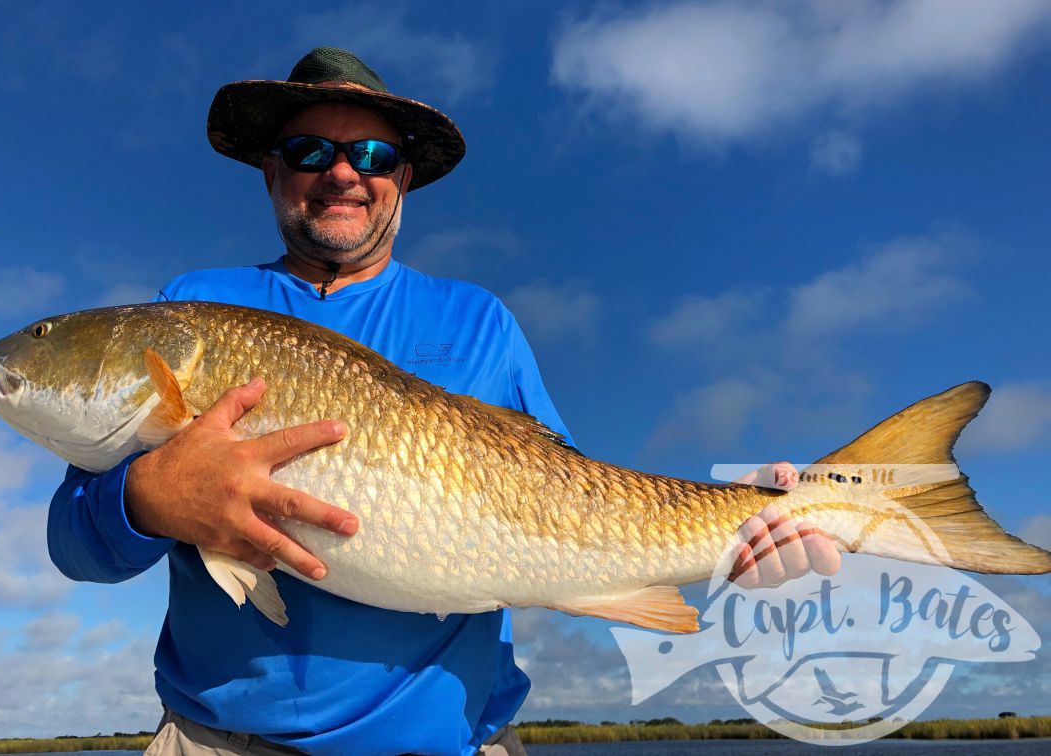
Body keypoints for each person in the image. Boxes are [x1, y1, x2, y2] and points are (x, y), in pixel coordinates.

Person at [47, 48, 838, 755]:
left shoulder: (478, 319)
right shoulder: (192, 308)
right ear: (271, 171)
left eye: (372, 154)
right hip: (216, 743)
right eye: (309, 150)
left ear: (404, 178)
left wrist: (744, 525)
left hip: (459, 744)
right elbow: (74, 544)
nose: (343, 172)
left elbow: (571, 495)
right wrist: (146, 498)